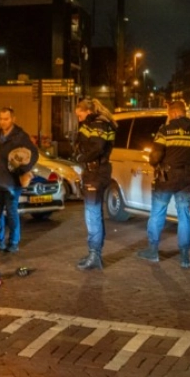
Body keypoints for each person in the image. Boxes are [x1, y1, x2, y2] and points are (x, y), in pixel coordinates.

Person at [137, 99, 190, 269]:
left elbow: (154, 157)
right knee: (184, 215)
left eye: (169, 114)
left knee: (157, 213)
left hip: (166, 178)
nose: (169, 117)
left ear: (175, 113)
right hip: (185, 178)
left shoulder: (165, 131)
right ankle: (184, 256)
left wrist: (156, 164)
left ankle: (153, 251)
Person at [72, 98, 116, 271]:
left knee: (93, 215)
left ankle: (95, 254)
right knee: (94, 213)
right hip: (96, 172)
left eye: (80, 114)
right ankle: (94, 252)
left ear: (88, 111)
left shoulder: (98, 124)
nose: (79, 118)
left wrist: (81, 158)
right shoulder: (100, 123)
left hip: (96, 173)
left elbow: (96, 148)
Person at [0, 107, 39, 254]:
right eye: (1, 119)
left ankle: (14, 242)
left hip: (12, 182)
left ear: (13, 119)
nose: (3, 122)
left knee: (11, 212)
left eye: (6, 119)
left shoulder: (21, 136)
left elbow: (33, 154)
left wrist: (23, 169)